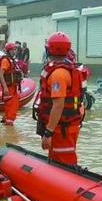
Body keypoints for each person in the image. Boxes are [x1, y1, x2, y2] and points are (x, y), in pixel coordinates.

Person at [35, 32, 85, 165]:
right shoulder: (66, 70)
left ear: (50, 49)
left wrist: (48, 133)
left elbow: (58, 105)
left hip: (62, 129)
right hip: (64, 126)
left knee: (65, 164)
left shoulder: (58, 74)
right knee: (57, 160)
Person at [0, 42, 23, 126]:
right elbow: (1, 74)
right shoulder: (6, 60)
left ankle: (6, 119)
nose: (14, 51)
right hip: (9, 88)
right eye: (13, 49)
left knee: (14, 105)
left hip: (13, 87)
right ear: (8, 50)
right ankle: (9, 124)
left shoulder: (11, 60)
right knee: (11, 106)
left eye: (15, 49)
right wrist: (5, 87)